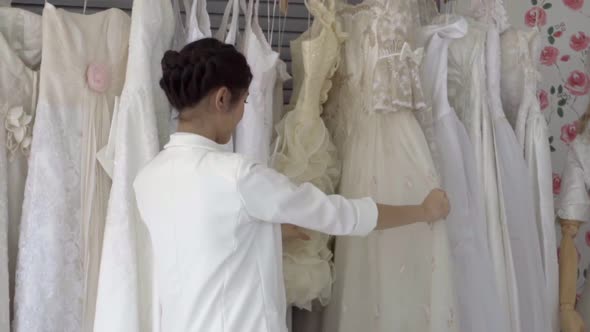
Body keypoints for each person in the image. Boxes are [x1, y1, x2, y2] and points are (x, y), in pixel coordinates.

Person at [133, 38, 451, 332]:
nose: (243, 113)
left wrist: (266, 230)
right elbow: (340, 215)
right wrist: (423, 210)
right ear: (222, 98)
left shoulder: (147, 179)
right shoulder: (237, 175)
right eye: (244, 101)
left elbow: (202, 238)